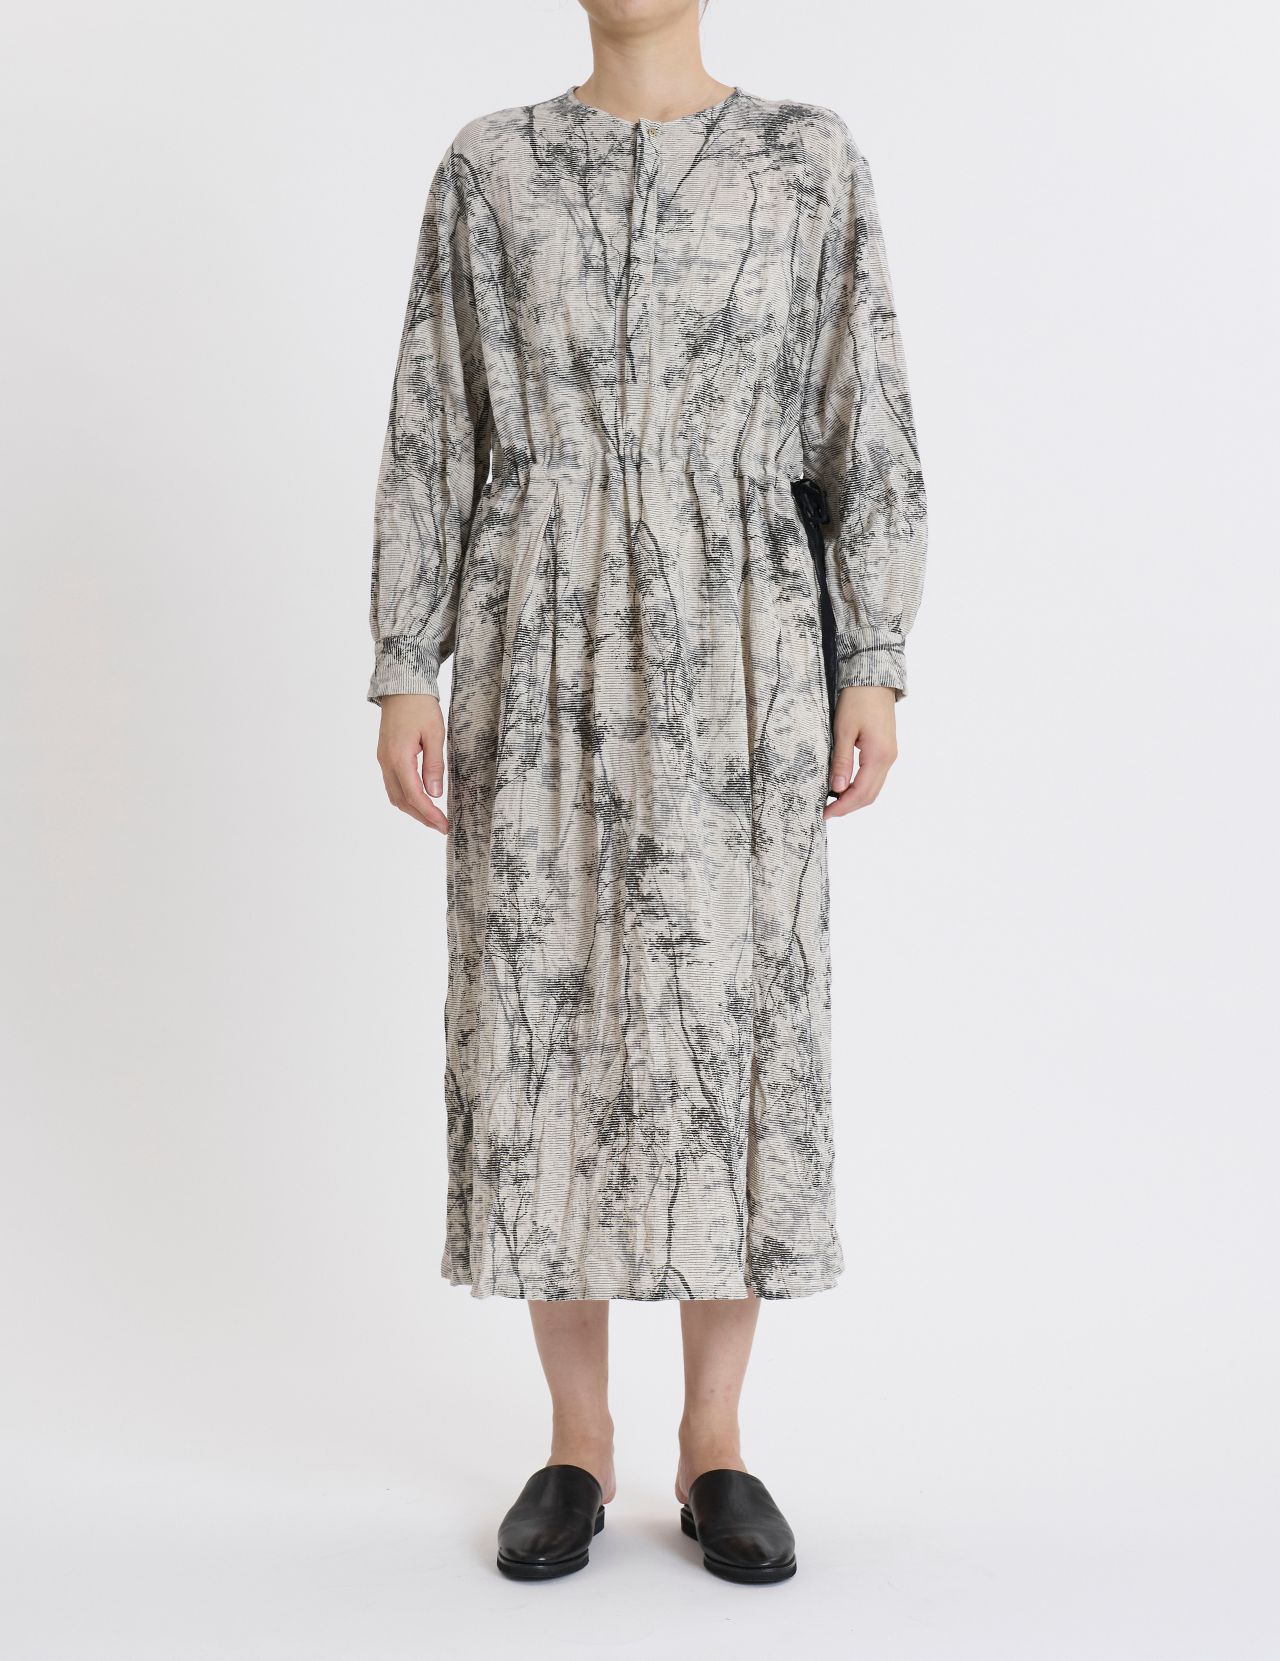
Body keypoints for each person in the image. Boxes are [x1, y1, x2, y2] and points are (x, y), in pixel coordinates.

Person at [366, 0, 928, 1585]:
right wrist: (405, 659)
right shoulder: (491, 167)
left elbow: (866, 412)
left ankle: (716, 1439)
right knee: (545, 1010)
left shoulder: (808, 161)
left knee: (730, 1016)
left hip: (746, 648)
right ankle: (576, 1438)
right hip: (533, 638)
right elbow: (434, 422)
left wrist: (874, 656)